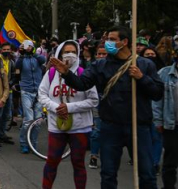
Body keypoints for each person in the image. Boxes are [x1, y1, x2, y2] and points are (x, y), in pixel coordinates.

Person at [50, 26, 164, 189]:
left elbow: (158, 93)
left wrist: (141, 78)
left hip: (138, 127)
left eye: (112, 40)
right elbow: (82, 84)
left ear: (124, 42)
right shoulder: (100, 65)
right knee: (108, 174)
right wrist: (67, 74)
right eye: (107, 40)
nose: (107, 43)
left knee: (146, 173)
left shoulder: (143, 65)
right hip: (111, 127)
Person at [38, 40, 99, 189]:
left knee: (78, 163)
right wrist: (56, 107)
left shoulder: (84, 74)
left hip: (80, 127)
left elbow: (93, 100)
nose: (70, 55)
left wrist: (70, 107)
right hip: (56, 126)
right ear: (59, 53)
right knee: (52, 161)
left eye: (73, 51)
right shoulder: (51, 73)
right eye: (66, 51)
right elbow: (42, 95)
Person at [15, 39, 46, 154]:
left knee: (37, 121)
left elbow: (43, 60)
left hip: (38, 91)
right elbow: (17, 67)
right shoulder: (21, 59)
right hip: (26, 91)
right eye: (26, 46)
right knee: (28, 119)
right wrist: (22, 54)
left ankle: (33, 144)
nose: (27, 47)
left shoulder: (37, 58)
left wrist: (33, 52)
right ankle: (24, 143)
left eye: (30, 46)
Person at [154, 54, 178, 189]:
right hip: (171, 124)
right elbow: (157, 99)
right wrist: (158, 120)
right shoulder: (164, 73)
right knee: (170, 160)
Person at [89, 43, 108, 169]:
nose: (101, 56)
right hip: (97, 102)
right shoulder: (92, 68)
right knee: (97, 129)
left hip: (112, 102)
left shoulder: (115, 67)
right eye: (99, 54)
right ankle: (94, 156)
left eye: (104, 54)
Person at [0, 43, 16, 144]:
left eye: (8, 49)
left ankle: (2, 133)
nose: (6, 51)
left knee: (6, 114)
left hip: (9, 92)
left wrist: (9, 83)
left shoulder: (12, 62)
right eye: (4, 49)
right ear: (1, 50)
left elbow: (14, 76)